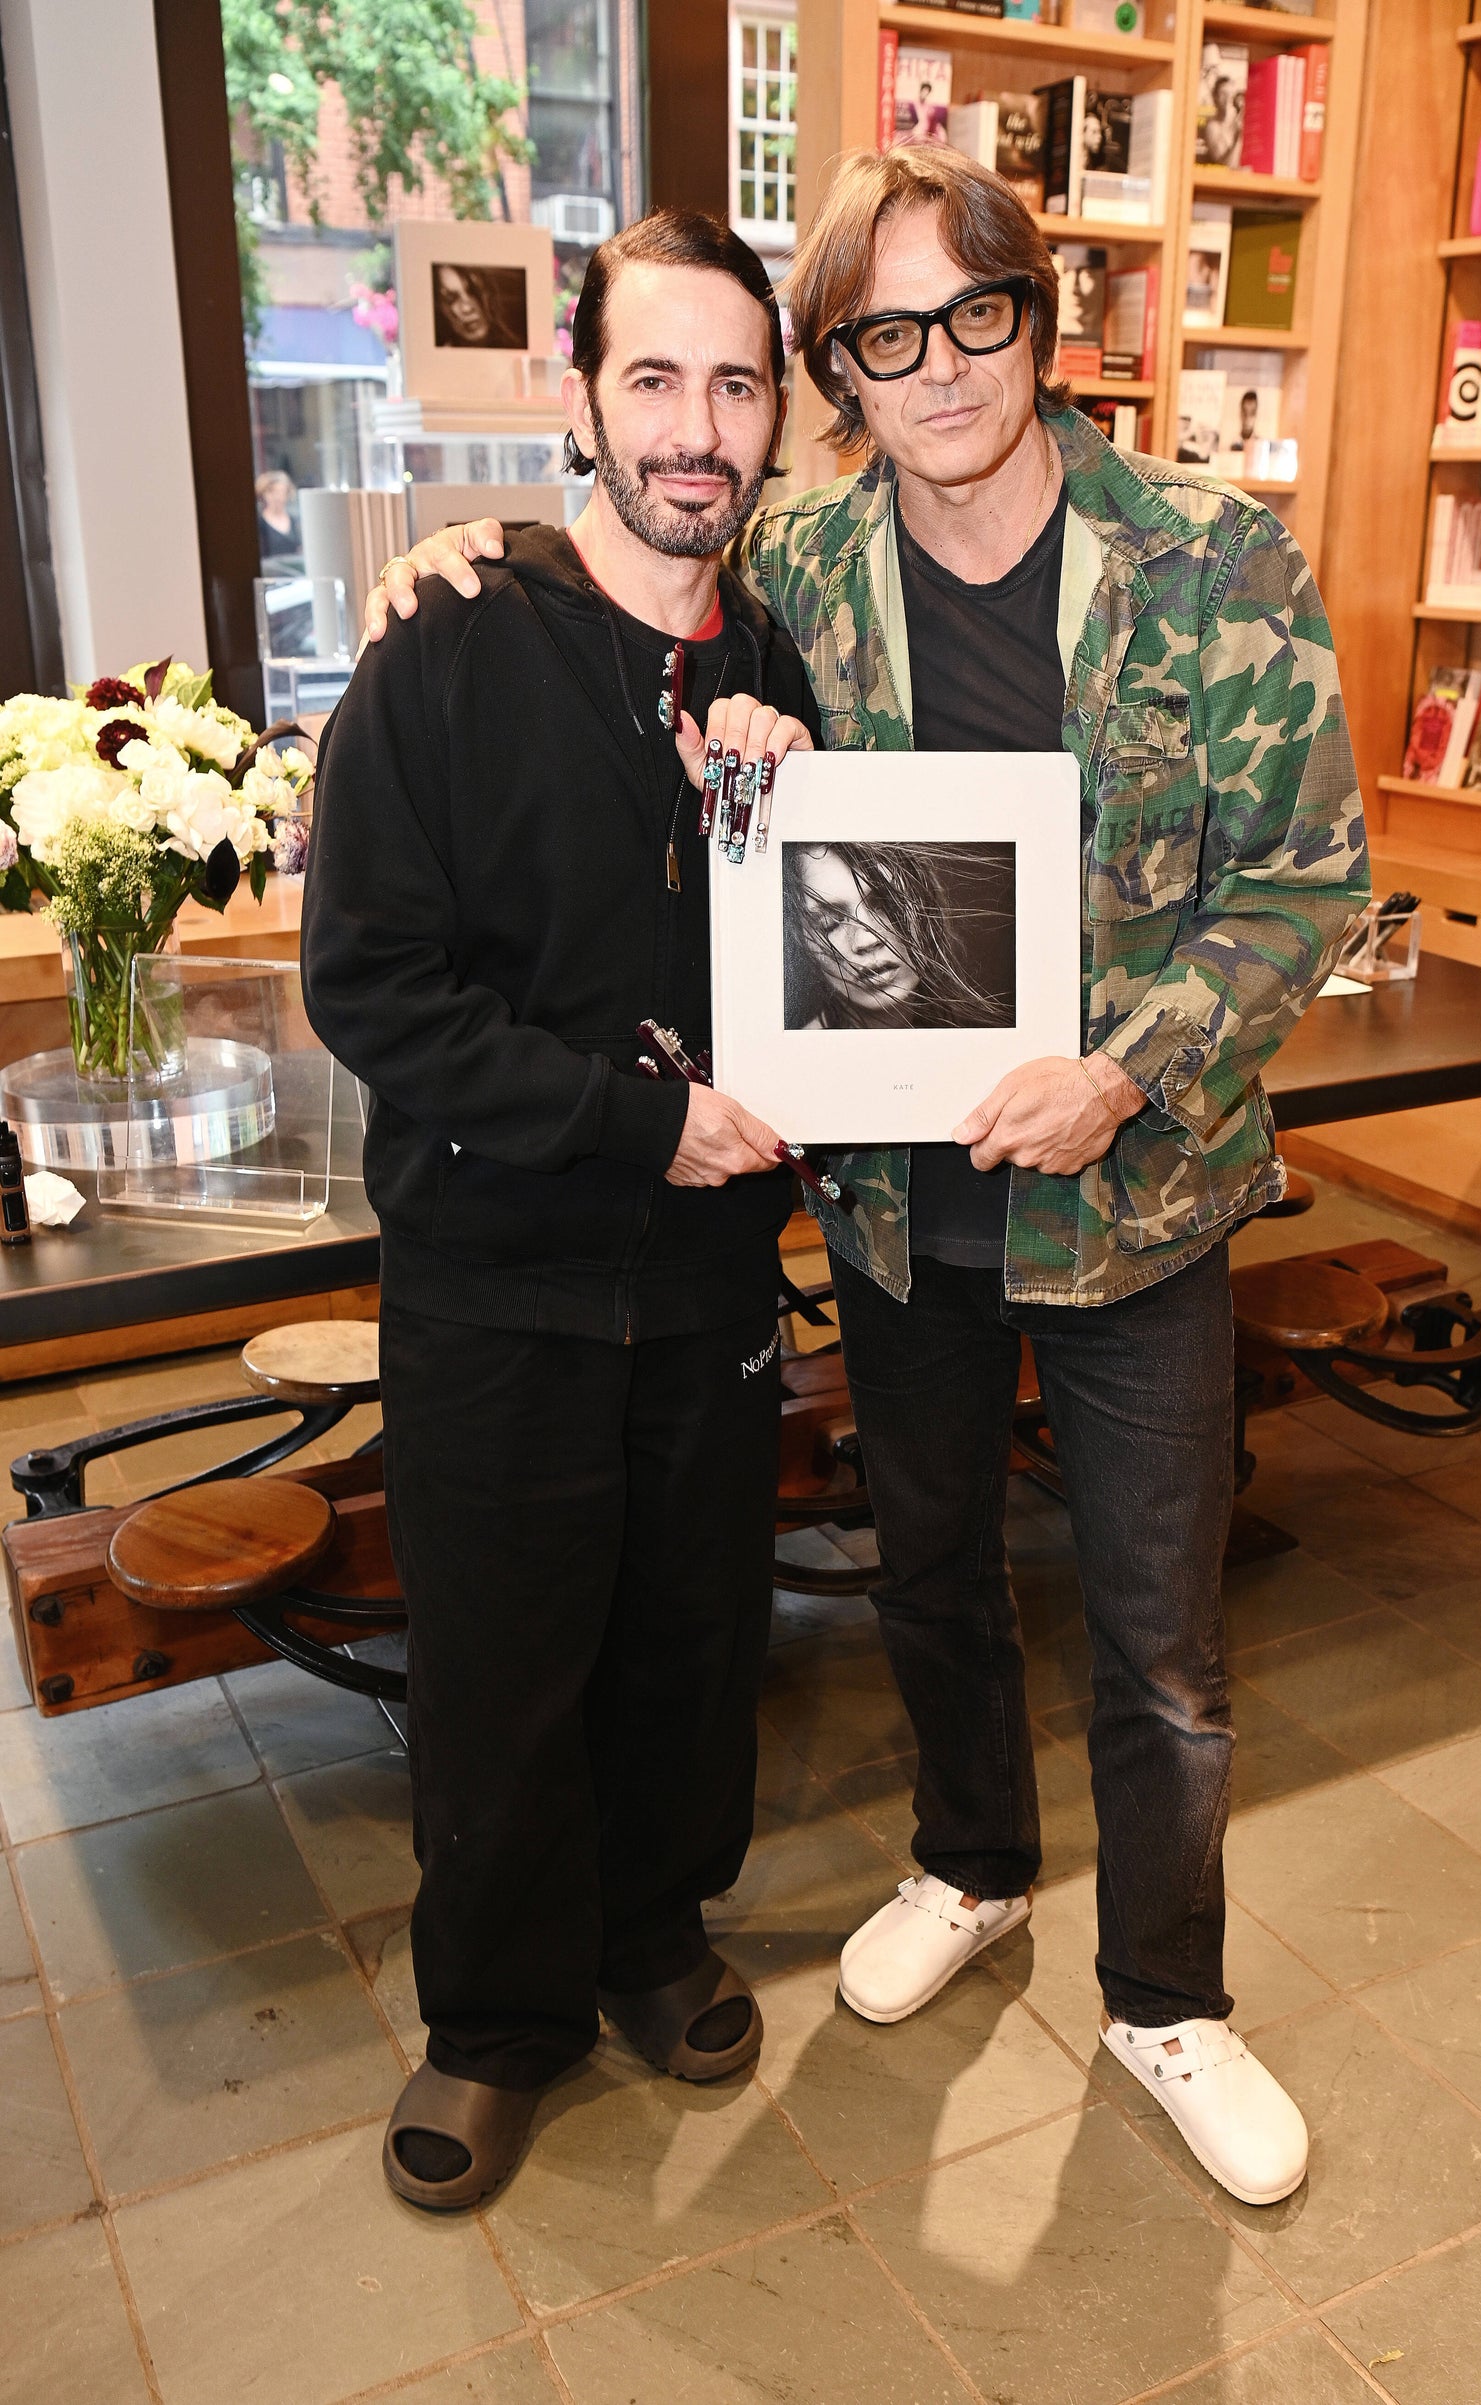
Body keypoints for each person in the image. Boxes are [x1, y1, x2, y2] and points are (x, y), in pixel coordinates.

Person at [362, 143, 1369, 2212]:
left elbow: (1307, 877)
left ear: (1037, 320)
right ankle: (971, 1864)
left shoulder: (1209, 557)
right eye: (882, 337)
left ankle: (1168, 1998)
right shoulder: (805, 570)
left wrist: (1125, 1069)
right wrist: (451, 552)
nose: (938, 368)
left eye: (972, 314)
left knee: (1161, 1641)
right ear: (839, 373)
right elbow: (623, 553)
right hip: (900, 1207)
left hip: (1137, 1197)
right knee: (927, 1573)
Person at [301, 207, 817, 2214]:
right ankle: (499, 2018)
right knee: (503, 1661)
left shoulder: (772, 668)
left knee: (691, 1631)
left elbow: (817, 983)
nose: (697, 427)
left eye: (736, 384)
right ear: (579, 398)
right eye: (655, 378)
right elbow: (374, 988)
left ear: (775, 415)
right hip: (494, 1278)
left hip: (707, 1281)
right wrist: (633, 1125)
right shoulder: (443, 645)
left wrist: (787, 801)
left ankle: (651, 1931)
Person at [783, 842, 1016, 1030]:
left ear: (927, 900)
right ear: (800, 940)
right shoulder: (794, 1061)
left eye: (887, 904)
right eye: (829, 923)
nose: (867, 940)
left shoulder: (990, 1045)